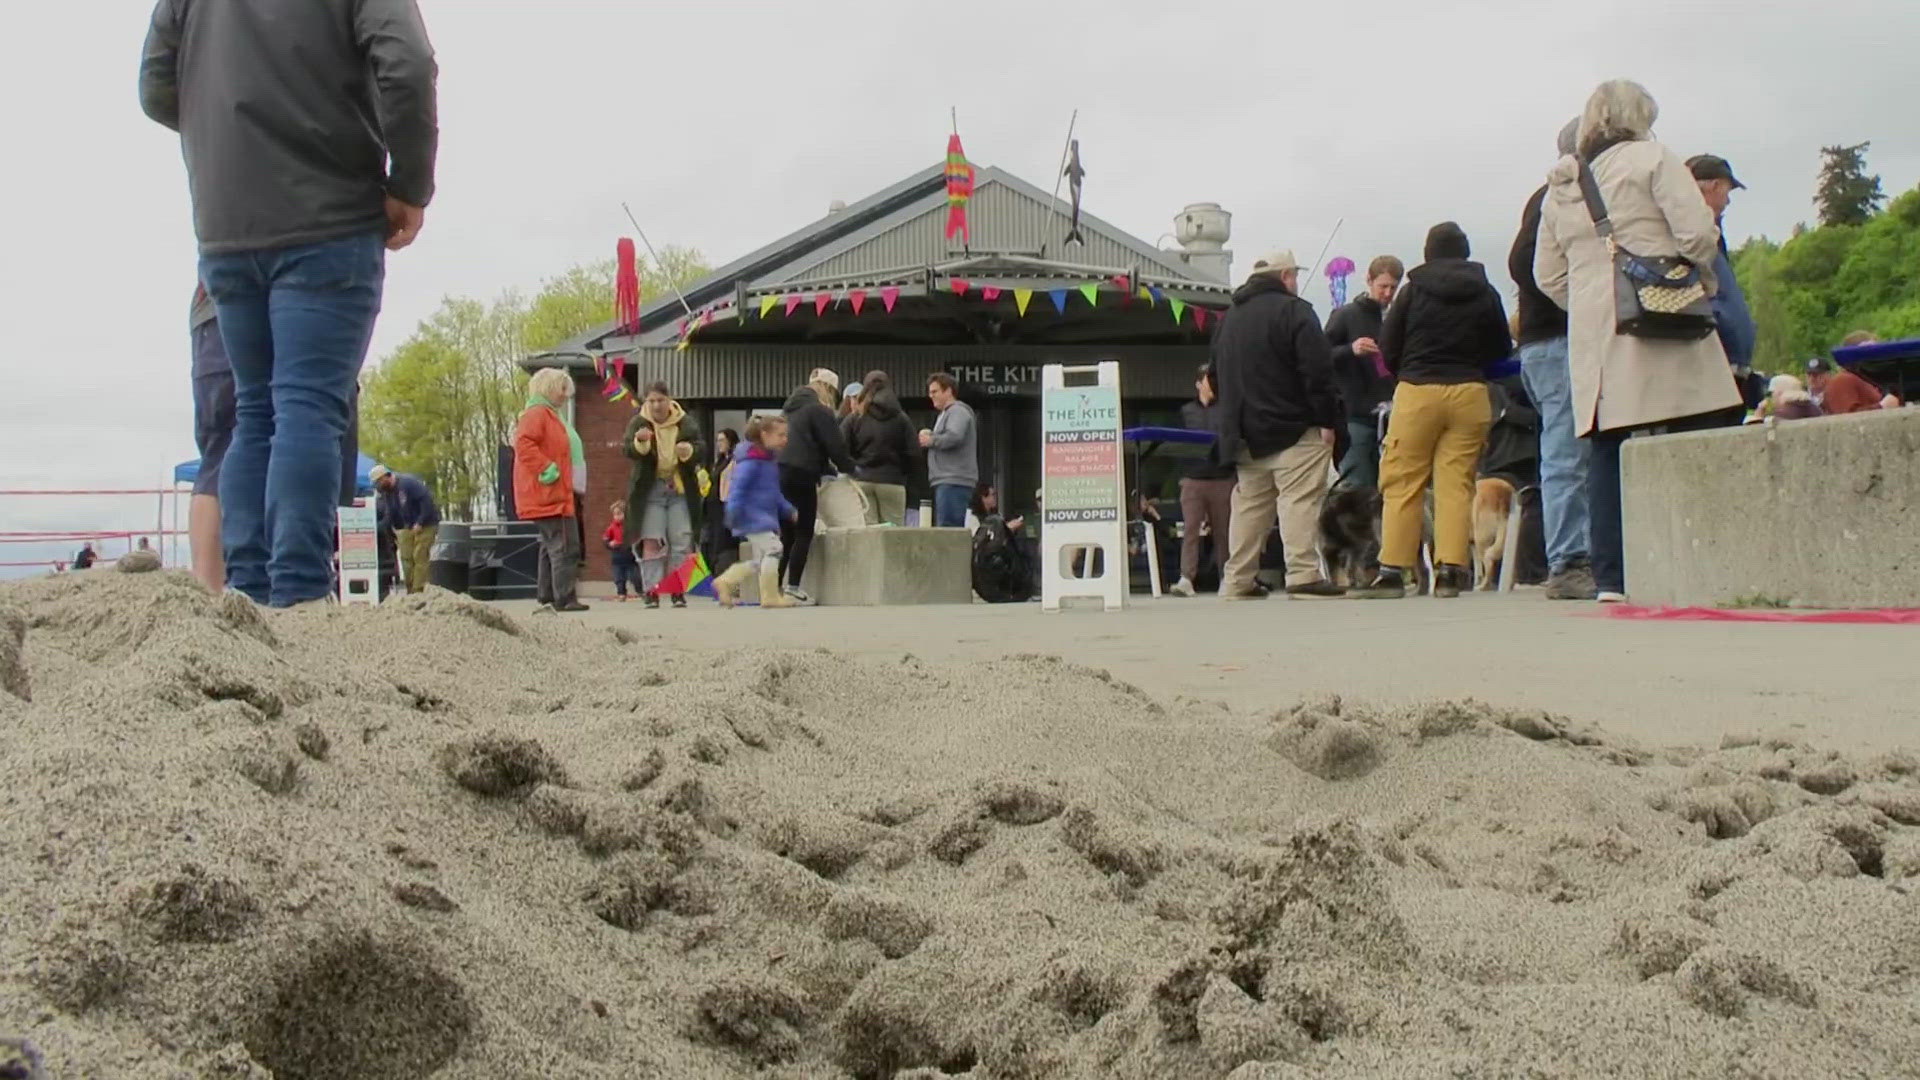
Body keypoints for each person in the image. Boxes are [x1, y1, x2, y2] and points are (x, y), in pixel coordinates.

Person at [141, 0, 438, 609]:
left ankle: (248, 592)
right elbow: (406, 64)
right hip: (328, 217)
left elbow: (155, 86)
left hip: (226, 225)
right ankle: (299, 596)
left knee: (256, 412)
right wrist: (410, 185)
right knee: (306, 405)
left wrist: (233, 134)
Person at [1535, 80, 1744, 604]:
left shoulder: (1563, 185)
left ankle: (1612, 577)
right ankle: (1705, 560)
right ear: (1642, 116)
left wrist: (1589, 299)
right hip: (1666, 312)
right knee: (1698, 422)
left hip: (1598, 327)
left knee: (1607, 445)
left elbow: (1547, 275)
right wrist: (1694, 280)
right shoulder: (1654, 159)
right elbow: (1698, 231)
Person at [1356, 223, 1512, 599]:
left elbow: (1389, 345)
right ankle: (1451, 571)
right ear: (1466, 251)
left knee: (1403, 481)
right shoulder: (1485, 291)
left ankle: (1393, 570)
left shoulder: (1411, 292)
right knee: (1456, 484)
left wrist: (1405, 371)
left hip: (1417, 390)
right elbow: (1501, 346)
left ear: (1427, 252)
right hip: (1470, 391)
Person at [1209, 251, 1344, 600]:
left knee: (1250, 506)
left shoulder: (1229, 318)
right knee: (1299, 501)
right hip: (1294, 428)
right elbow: (1318, 371)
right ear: (1285, 276)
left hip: (1243, 433)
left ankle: (1238, 580)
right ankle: (1302, 574)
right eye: (1294, 275)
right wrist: (1327, 420)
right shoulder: (1296, 311)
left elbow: (1214, 375)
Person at [1511, 118, 1598, 601]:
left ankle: (1578, 555)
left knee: (1572, 449)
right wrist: (1570, 294)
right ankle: (1569, 559)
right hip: (1558, 336)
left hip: (1547, 338)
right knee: (1568, 450)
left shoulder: (1544, 198)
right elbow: (1522, 261)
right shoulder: (1557, 196)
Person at [623, 381, 707, 609]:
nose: (656, 405)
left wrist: (688, 451)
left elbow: (701, 448)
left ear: (669, 400)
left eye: (660, 400)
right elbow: (627, 450)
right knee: (651, 541)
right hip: (651, 491)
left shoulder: (685, 422)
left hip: (679, 489)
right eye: (651, 401)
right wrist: (640, 442)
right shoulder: (639, 422)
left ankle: (678, 591)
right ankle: (651, 590)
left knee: (682, 541)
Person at [777, 368, 857, 605]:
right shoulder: (820, 410)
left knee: (786, 534)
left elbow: (809, 444)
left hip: (781, 471)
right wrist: (850, 468)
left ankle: (773, 587)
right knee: (804, 530)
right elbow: (834, 446)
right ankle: (793, 587)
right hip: (803, 474)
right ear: (828, 389)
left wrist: (827, 469)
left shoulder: (789, 410)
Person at [1324, 256, 1404, 490]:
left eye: (1393, 287)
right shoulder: (1345, 315)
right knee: (1356, 487)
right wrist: (1351, 349)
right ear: (1369, 280)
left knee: (1392, 487)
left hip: (1394, 416)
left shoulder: (1399, 318)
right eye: (1383, 286)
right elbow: (1320, 355)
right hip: (1355, 416)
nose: (1388, 293)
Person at [513, 368, 588, 613]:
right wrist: (546, 467)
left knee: (550, 546)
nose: (567, 396)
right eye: (563, 390)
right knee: (566, 546)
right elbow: (523, 443)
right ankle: (564, 598)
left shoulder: (545, 414)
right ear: (550, 388)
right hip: (550, 493)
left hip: (550, 492)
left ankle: (547, 595)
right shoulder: (538, 414)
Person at [1687, 155, 1758, 385]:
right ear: (1715, 186)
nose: (1728, 201)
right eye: (1727, 192)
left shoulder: (1711, 235)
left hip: (1728, 363)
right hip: (1716, 365)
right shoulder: (1693, 237)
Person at [712, 416, 796, 610]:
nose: (785, 439)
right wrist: (733, 512)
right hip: (753, 516)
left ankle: (725, 580)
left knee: (762, 559)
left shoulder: (767, 461)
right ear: (764, 435)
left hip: (760, 515)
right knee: (775, 549)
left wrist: (788, 509)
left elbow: (774, 492)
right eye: (781, 435)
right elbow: (738, 489)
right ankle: (770, 595)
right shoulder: (752, 462)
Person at [1170, 365, 1235, 597]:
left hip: (1222, 477)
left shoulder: (1227, 410)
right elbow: (1174, 444)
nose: (1213, 384)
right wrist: (1181, 477)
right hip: (1193, 478)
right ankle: (1186, 577)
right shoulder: (1185, 411)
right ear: (1199, 384)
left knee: (1224, 531)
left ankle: (1227, 577)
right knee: (1190, 529)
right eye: (1209, 379)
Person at [842, 370, 918, 526]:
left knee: (869, 532)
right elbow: (914, 452)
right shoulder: (901, 418)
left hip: (863, 480)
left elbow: (840, 447)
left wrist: (854, 468)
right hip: (893, 482)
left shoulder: (855, 417)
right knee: (894, 535)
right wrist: (902, 473)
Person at [369, 465, 440, 594]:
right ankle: (410, 588)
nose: (378, 485)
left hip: (426, 523)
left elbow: (426, 501)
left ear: (386, 476)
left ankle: (419, 590)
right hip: (406, 525)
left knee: (419, 555)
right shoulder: (387, 492)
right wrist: (387, 528)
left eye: (379, 481)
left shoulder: (408, 483)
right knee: (406, 557)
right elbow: (390, 512)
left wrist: (420, 522)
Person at [921, 373, 979, 528]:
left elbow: (954, 436)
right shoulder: (946, 414)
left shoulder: (957, 411)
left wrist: (931, 440)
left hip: (953, 479)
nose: (930, 396)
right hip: (947, 480)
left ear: (948, 391)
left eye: (935, 392)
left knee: (949, 529)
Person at [702, 428, 742, 576]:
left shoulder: (735, 460)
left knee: (723, 544)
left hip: (724, 507)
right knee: (708, 543)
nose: (719, 444)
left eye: (722, 440)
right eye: (717, 440)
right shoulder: (719, 461)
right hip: (712, 508)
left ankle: (723, 576)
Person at [1807, 356, 1895, 415]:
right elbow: (1846, 417)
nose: (1812, 379)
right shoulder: (1842, 382)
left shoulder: (1842, 383)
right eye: (1809, 375)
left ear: (1828, 374)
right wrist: (1882, 406)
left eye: (1817, 375)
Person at [604, 501, 639, 601]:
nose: (617, 517)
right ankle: (621, 593)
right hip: (617, 557)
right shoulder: (611, 528)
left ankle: (640, 590)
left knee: (635, 576)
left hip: (630, 557)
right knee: (619, 578)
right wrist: (609, 543)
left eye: (619, 514)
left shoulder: (631, 527)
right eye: (615, 514)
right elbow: (606, 539)